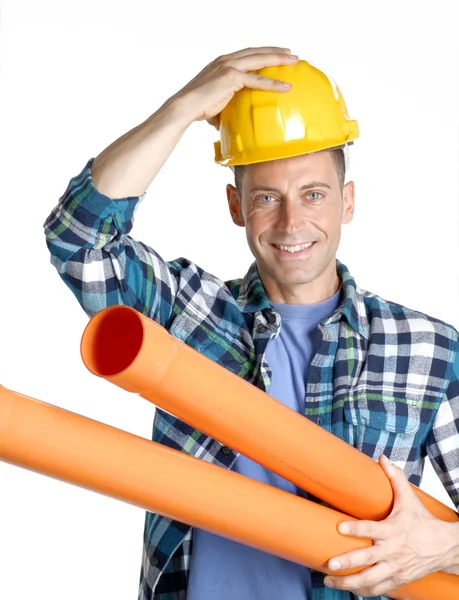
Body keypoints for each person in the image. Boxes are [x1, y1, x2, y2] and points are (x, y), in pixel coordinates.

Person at [43, 47, 459, 600]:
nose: (293, 222)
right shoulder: (190, 315)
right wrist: (181, 109)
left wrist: (444, 547)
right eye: (267, 197)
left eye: (314, 194)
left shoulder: (427, 349)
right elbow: (77, 238)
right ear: (236, 206)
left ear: (347, 202)